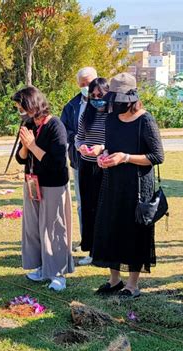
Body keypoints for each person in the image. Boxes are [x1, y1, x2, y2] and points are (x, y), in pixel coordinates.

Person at [92, 73, 164, 298]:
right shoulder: (111, 119)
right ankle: (114, 280)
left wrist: (125, 157)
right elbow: (110, 146)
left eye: (121, 99)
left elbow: (156, 156)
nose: (117, 103)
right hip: (113, 182)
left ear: (132, 98)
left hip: (138, 184)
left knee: (134, 232)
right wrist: (103, 156)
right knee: (111, 227)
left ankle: (132, 285)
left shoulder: (146, 120)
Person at [14, 86, 74, 292]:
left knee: (54, 228)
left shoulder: (55, 125)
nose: (19, 112)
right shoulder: (29, 124)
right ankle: (40, 267)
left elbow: (56, 162)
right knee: (32, 227)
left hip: (53, 185)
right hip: (32, 183)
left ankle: (58, 273)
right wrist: (25, 146)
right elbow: (20, 158)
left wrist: (32, 145)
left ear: (32, 105)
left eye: (21, 107)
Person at [61, 67, 98, 243]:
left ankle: (104, 243)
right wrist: (78, 143)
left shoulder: (108, 103)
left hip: (103, 160)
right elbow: (63, 131)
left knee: (103, 202)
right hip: (79, 161)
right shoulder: (71, 106)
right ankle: (87, 242)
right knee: (83, 204)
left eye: (89, 83)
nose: (86, 87)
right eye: (82, 84)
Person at [74, 78, 109, 266]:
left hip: (104, 167)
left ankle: (105, 250)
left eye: (100, 96)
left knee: (103, 208)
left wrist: (101, 148)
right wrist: (81, 147)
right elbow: (78, 138)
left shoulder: (113, 116)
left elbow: (115, 141)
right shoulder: (86, 115)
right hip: (86, 166)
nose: (96, 100)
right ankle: (91, 250)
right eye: (93, 96)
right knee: (88, 209)